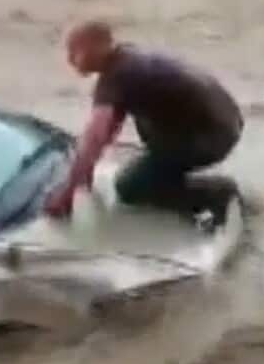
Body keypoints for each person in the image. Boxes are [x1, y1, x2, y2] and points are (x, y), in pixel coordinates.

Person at [43, 20, 243, 222]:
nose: (69, 60)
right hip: (226, 121)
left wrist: (66, 195)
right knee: (146, 144)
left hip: (210, 137)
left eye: (74, 52)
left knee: (129, 187)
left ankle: (217, 193)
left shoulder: (116, 77)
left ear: (95, 47)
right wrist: (86, 171)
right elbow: (108, 130)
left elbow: (95, 136)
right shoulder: (128, 59)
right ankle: (173, 175)